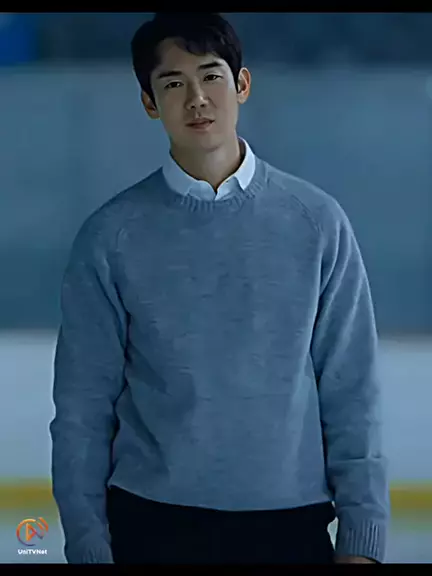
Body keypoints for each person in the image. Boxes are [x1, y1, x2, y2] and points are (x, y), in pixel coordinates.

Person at [50, 12, 389, 565]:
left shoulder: (317, 222)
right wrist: (87, 544)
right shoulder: (110, 237)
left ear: (242, 84)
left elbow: (352, 392)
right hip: (149, 527)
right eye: (173, 84)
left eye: (211, 76)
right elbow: (81, 409)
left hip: (290, 528)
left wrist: (363, 539)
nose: (197, 99)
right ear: (149, 103)